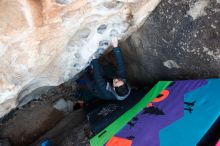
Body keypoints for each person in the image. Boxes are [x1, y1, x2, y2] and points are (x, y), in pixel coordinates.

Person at [74, 37, 131, 107]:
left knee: (89, 80)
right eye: (120, 80)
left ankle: (85, 70)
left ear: (113, 88)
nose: (117, 79)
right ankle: (93, 65)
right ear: (124, 82)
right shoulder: (122, 82)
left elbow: (98, 79)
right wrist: (116, 47)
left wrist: (94, 59)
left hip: (97, 90)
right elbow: (121, 65)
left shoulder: (107, 93)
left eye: (116, 82)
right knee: (103, 70)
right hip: (107, 82)